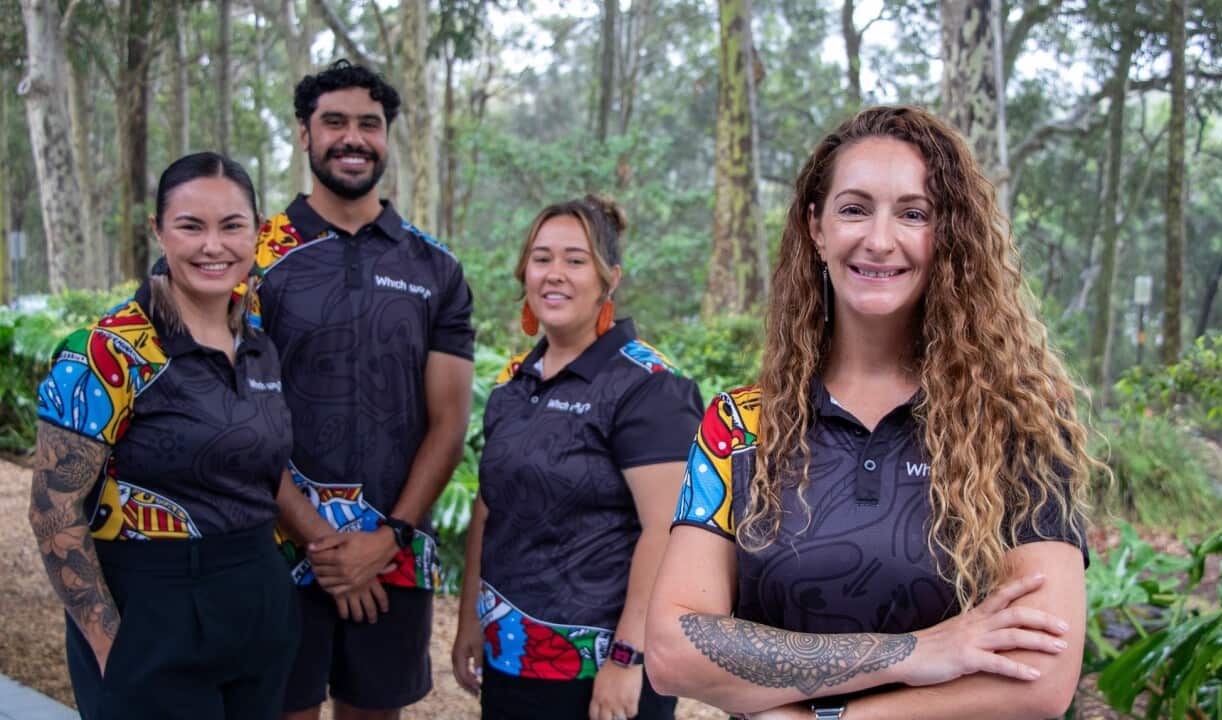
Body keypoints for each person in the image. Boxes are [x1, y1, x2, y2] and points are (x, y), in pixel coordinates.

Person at [646, 106, 1101, 720]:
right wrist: (913, 653)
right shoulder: (739, 425)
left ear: (949, 236)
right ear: (816, 227)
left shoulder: (1018, 422)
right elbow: (674, 649)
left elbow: (1039, 679)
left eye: (913, 214)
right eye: (855, 208)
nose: (880, 240)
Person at [30, 152, 299, 720]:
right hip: (151, 609)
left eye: (232, 226)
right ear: (158, 230)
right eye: (191, 225)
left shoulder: (258, 343)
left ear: (257, 231)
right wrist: (109, 645)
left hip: (257, 599)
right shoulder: (105, 352)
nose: (213, 246)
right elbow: (53, 508)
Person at [248, 59, 474, 720]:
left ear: (387, 135)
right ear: (304, 135)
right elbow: (233, 410)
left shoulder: (436, 268)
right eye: (334, 122)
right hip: (273, 548)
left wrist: (388, 539)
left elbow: (450, 421)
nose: (353, 138)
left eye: (369, 124)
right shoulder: (252, 256)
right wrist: (321, 541)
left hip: (393, 554)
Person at [451, 196, 703, 720]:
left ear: (609, 279)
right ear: (525, 273)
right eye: (542, 259)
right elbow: (488, 506)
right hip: (513, 661)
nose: (554, 274)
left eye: (575, 259)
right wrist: (469, 621)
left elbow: (667, 530)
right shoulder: (511, 386)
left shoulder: (648, 385)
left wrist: (627, 659)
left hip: (604, 674)